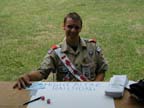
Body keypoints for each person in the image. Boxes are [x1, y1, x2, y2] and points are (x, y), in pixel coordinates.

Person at [13, 12, 108, 90]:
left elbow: (101, 70)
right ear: (64, 27)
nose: (73, 30)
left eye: (76, 27)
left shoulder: (92, 47)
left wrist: (95, 87)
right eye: (70, 26)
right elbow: (41, 73)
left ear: (81, 28)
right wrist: (28, 76)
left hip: (90, 94)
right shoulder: (56, 52)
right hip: (65, 95)